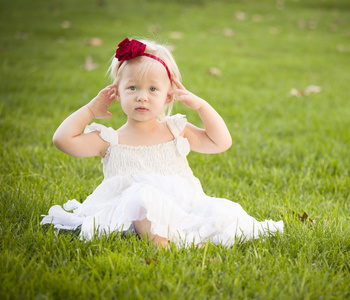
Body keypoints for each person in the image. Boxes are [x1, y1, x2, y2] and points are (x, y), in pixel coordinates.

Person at [41, 38, 283, 248]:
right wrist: (92, 109)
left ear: (169, 95)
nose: (142, 96)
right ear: (117, 93)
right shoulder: (111, 140)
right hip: (134, 213)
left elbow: (221, 142)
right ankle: (164, 245)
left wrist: (202, 106)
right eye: (132, 87)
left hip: (182, 206)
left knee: (220, 216)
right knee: (142, 197)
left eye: (153, 89)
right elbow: (63, 140)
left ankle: (184, 237)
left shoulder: (175, 130)